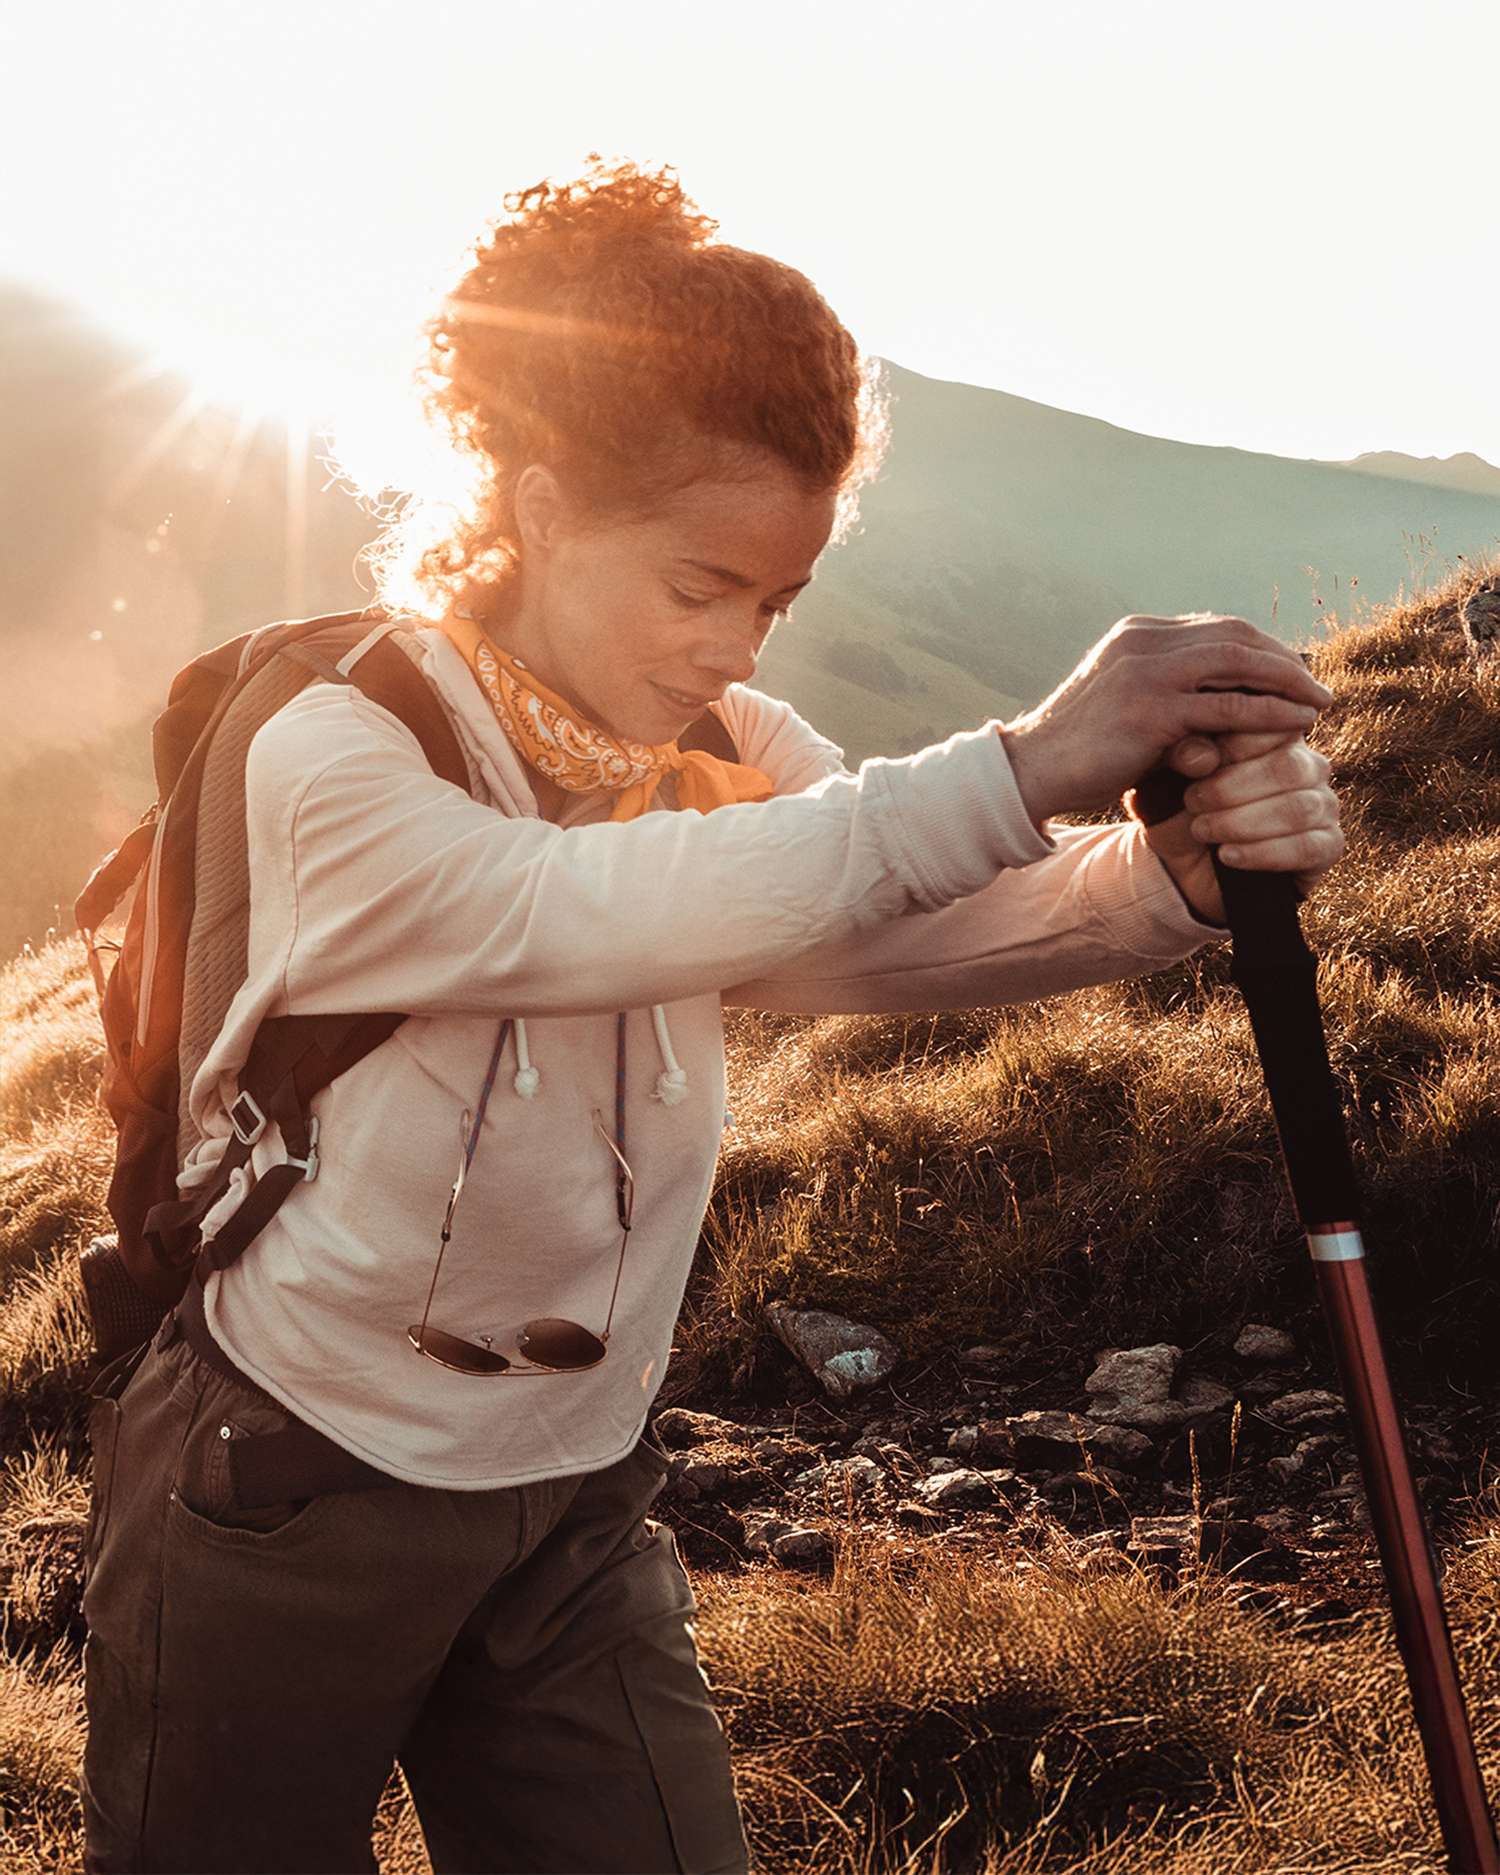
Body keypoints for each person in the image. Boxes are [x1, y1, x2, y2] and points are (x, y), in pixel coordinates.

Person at [79, 156, 1343, 1875]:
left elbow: (889, 923)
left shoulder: (729, 748)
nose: (734, 645)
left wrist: (1174, 884)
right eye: (699, 587)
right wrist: (1034, 764)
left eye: (776, 601)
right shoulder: (342, 749)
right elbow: (587, 915)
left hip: (579, 1487)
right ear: (535, 503)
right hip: (292, 1472)